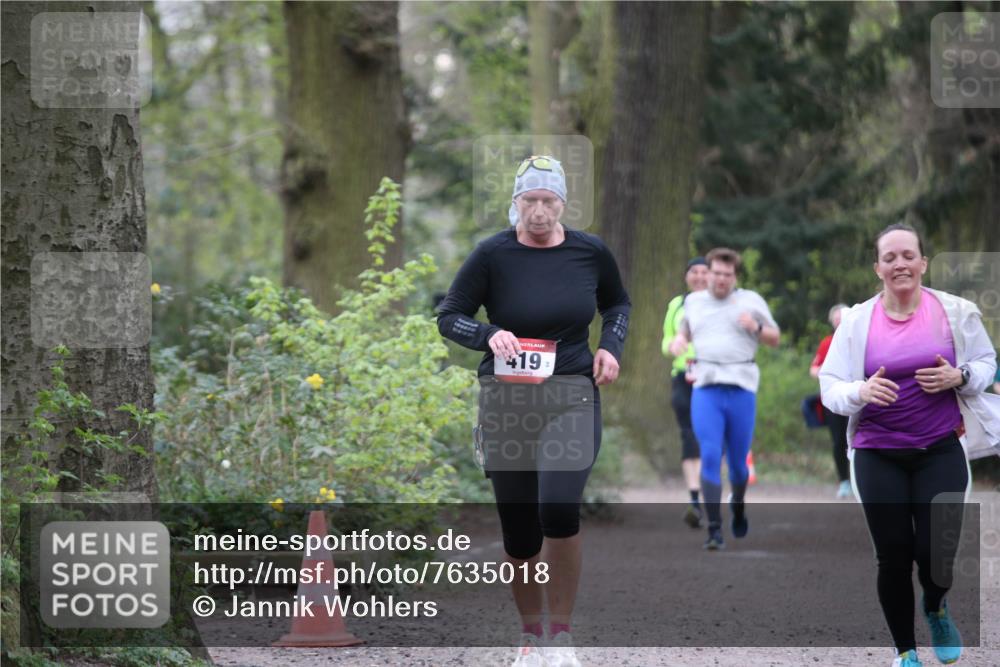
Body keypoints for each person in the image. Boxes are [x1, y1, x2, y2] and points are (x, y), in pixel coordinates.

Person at [436, 155, 630, 667]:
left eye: (549, 201)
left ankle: (562, 637)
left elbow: (618, 305)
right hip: (507, 398)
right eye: (530, 202)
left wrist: (610, 346)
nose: (539, 212)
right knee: (520, 530)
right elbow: (448, 316)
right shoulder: (491, 255)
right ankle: (530, 637)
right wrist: (486, 334)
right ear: (515, 204)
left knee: (559, 509)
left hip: (571, 389)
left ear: (564, 204)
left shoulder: (590, 253)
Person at [819, 223, 1000, 667]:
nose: (899, 263)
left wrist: (960, 377)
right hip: (877, 451)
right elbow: (830, 386)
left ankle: (935, 606)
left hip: (940, 447)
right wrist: (859, 392)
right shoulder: (858, 321)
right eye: (889, 257)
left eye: (907, 255)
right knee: (894, 554)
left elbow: (986, 364)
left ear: (922, 262)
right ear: (877, 268)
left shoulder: (955, 313)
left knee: (936, 555)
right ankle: (905, 652)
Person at [669, 248, 780, 550]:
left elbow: (775, 338)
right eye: (715, 274)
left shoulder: (751, 301)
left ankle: (739, 504)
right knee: (708, 453)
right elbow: (685, 329)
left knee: (738, 466)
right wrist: (680, 339)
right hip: (706, 389)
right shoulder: (694, 302)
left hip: (741, 388)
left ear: (735, 277)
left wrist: (755, 327)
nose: (720, 280)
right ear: (708, 273)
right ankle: (714, 528)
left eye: (726, 275)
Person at [662, 256, 709, 527]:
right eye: (694, 272)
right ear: (686, 276)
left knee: (708, 435)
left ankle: (709, 492)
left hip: (713, 378)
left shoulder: (721, 304)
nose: (700, 277)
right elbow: (666, 339)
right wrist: (672, 346)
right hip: (683, 376)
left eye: (705, 272)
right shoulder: (677, 304)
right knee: (688, 434)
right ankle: (694, 499)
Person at [810, 303, 851, 498]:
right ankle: (844, 481)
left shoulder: (859, 339)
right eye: (836, 320)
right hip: (832, 399)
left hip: (857, 397)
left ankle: (859, 478)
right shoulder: (827, 343)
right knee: (838, 440)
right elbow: (814, 369)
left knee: (857, 439)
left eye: (842, 318)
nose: (839, 322)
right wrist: (831, 373)